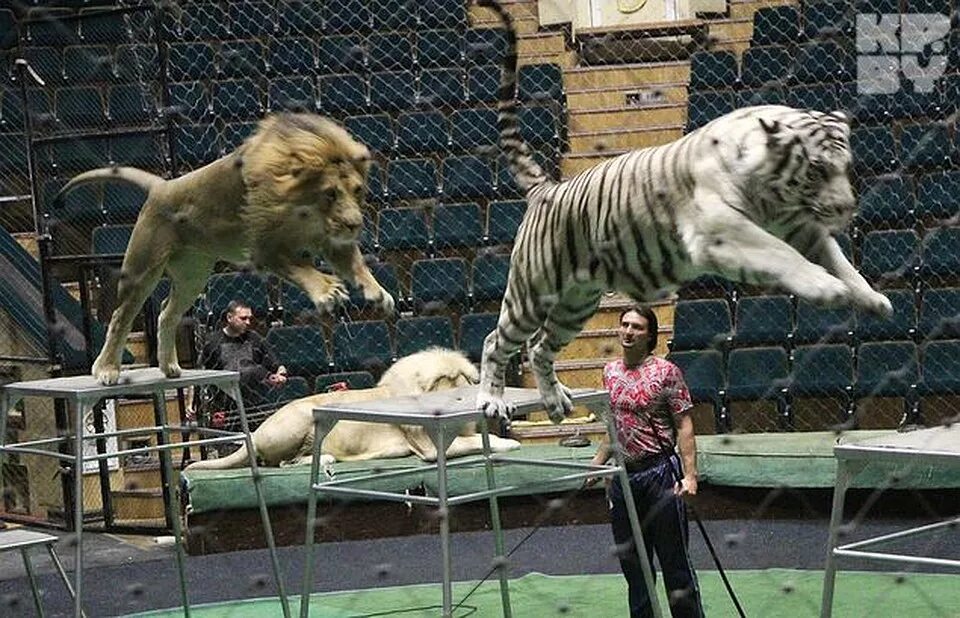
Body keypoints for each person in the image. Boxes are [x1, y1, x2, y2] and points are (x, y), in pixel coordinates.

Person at [588, 303, 704, 618]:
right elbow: (613, 425)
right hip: (624, 479)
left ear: (649, 334)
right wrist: (598, 462)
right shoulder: (610, 372)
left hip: (661, 474)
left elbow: (684, 424)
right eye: (624, 324)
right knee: (634, 565)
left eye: (637, 327)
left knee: (674, 563)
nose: (628, 331)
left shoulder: (666, 373)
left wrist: (690, 476)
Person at [199, 299, 288, 427]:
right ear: (229, 317)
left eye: (249, 318)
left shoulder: (255, 338)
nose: (248, 322)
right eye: (243, 318)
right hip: (226, 407)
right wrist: (190, 404)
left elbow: (277, 365)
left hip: (254, 407)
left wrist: (281, 374)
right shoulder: (212, 342)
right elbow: (199, 371)